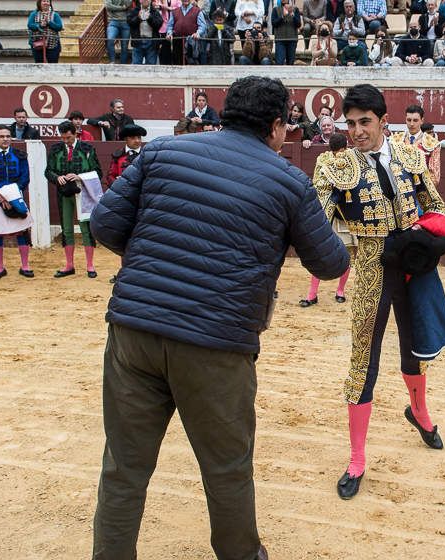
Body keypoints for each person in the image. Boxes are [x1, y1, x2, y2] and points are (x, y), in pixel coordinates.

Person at [89, 75, 349, 560]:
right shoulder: (289, 181)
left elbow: (103, 224)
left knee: (123, 467)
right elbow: (330, 263)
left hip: (135, 330)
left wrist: (156, 259)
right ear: (276, 126)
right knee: (226, 468)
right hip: (217, 342)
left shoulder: (164, 151)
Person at [311, 84, 445, 500]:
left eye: (364, 122)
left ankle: (420, 414)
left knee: (416, 347)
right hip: (372, 270)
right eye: (349, 124)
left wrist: (428, 241)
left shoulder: (410, 155)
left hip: (412, 268)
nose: (355, 131)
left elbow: (436, 206)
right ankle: (356, 459)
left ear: (383, 122)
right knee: (363, 360)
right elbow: (314, 221)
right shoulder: (335, 166)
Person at [300, 133, 355, 307]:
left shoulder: (326, 159)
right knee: (335, 253)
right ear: (343, 148)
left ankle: (320, 293)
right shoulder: (326, 160)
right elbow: (320, 184)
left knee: (328, 253)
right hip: (334, 212)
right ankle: (326, 292)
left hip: (339, 213)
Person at [45, 120, 103, 278]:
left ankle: (90, 265)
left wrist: (79, 176)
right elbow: (48, 171)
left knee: (86, 228)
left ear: (75, 134)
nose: (65, 141)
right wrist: (58, 177)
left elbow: (98, 172)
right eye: (63, 138)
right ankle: (69, 265)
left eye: (68, 138)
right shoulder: (56, 149)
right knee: (67, 229)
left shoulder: (87, 148)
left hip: (83, 192)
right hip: (64, 192)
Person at [0, 125, 33, 280]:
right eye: (1, 136)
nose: (5, 139)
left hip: (16, 196)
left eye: (8, 136)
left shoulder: (19, 155)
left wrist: (14, 193)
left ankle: (25, 266)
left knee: (22, 229)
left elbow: (25, 176)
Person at [391, 104, 441, 185]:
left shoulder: (433, 143)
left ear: (422, 120)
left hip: (421, 189)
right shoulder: (395, 140)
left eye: (415, 120)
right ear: (405, 120)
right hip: (398, 187)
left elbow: (435, 175)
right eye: (409, 120)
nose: (411, 124)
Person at [166, 0, 208, 64]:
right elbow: (170, 26)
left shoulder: (197, 11)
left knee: (192, 64)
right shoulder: (174, 11)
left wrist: (198, 33)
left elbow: (202, 25)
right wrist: (169, 34)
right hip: (177, 41)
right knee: (178, 63)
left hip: (192, 41)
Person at [128, 0, 163, 64]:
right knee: (136, 65)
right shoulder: (134, 10)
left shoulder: (155, 11)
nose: (145, 0)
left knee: (151, 65)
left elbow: (159, 24)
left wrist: (150, 18)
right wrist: (138, 18)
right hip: (138, 41)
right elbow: (130, 22)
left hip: (151, 42)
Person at [272, 0, 301, 65]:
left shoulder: (295, 9)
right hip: (280, 40)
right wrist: (282, 16)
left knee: (290, 63)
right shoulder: (275, 9)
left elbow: (299, 24)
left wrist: (292, 15)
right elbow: (273, 23)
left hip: (292, 39)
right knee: (279, 62)